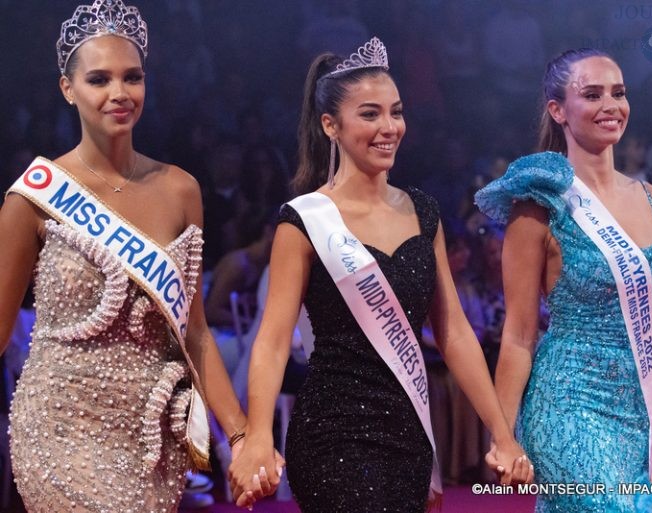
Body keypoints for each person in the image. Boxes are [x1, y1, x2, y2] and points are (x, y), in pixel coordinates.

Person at [228, 37, 528, 511]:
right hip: (332, 435)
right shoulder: (304, 221)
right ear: (331, 125)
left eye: (396, 111)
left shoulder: (423, 213)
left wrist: (502, 433)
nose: (389, 127)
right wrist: (260, 435)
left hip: (408, 433)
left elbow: (453, 335)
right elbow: (271, 339)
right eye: (370, 114)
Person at [475, 48, 652, 512]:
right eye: (592, 94)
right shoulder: (540, 204)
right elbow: (518, 335)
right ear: (558, 110)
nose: (611, 105)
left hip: (634, 407)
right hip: (566, 402)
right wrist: (504, 435)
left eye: (619, 93)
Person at [0, 1, 248, 511]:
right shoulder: (32, 198)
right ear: (68, 89)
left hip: (152, 438)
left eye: (131, 77)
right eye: (98, 79)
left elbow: (195, 331)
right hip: (58, 430)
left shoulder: (182, 190)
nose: (119, 93)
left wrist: (241, 438)